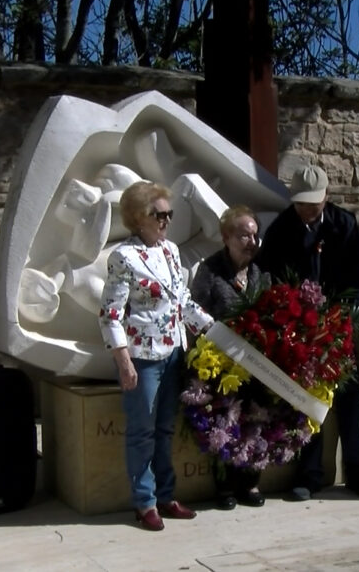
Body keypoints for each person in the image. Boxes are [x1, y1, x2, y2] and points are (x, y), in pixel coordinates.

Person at [256, 164, 359, 500]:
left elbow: (353, 278)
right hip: (301, 326)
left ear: (327, 197)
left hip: (339, 322)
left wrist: (347, 321)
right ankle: (309, 474)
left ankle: (357, 469)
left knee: (350, 397)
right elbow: (274, 279)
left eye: (314, 202)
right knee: (307, 400)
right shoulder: (281, 229)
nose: (308, 210)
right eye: (301, 203)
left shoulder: (344, 224)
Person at [99, 181, 214, 531]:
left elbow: (182, 301)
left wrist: (215, 329)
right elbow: (111, 312)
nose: (165, 221)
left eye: (168, 214)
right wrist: (123, 360)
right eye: (157, 214)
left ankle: (165, 495)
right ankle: (144, 501)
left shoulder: (171, 251)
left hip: (173, 351)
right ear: (137, 218)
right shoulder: (123, 256)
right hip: (142, 355)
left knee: (165, 428)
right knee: (142, 431)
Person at [190, 205, 269, 510]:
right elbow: (195, 314)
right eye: (243, 236)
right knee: (225, 425)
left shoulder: (261, 271)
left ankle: (251, 483)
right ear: (226, 237)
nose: (251, 241)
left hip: (257, 365)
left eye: (254, 235)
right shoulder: (209, 271)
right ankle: (224, 488)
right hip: (221, 364)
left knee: (257, 421)